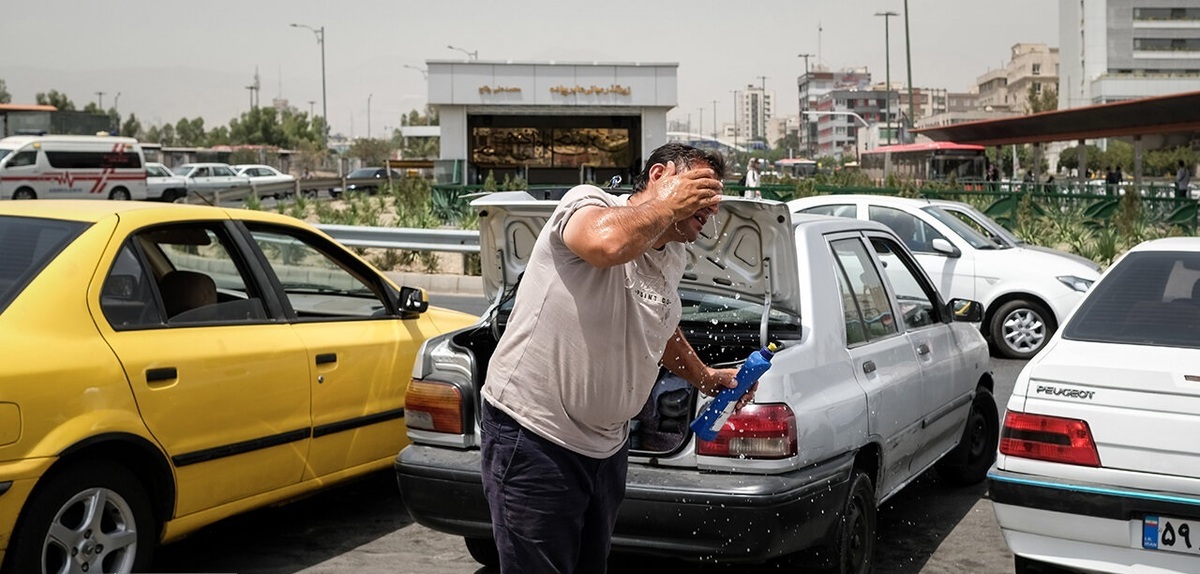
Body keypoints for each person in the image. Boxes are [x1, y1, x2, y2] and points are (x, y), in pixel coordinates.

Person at [480, 143, 745, 574]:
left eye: (714, 196)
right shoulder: (587, 204)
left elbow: (657, 321)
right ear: (658, 175)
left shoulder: (672, 255)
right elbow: (608, 244)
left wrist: (704, 375)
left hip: (606, 449)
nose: (708, 204)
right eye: (699, 188)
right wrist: (668, 204)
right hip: (534, 437)